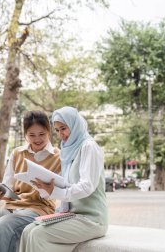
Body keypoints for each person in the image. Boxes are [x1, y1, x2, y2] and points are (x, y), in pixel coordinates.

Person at [0, 110, 61, 252]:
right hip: (13, 206)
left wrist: (48, 189)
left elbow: (61, 192)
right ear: (25, 134)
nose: (37, 139)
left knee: (3, 225)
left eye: (42, 134)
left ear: (49, 131)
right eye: (31, 135)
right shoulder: (17, 153)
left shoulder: (58, 157)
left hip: (39, 209)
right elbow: (7, 185)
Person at [19, 106, 108, 252]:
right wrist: (45, 187)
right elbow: (66, 185)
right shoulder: (67, 149)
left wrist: (55, 191)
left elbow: (87, 186)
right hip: (72, 215)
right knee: (28, 231)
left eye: (64, 128)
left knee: (38, 235)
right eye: (57, 130)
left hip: (92, 219)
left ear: (74, 124)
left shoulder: (89, 147)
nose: (61, 134)